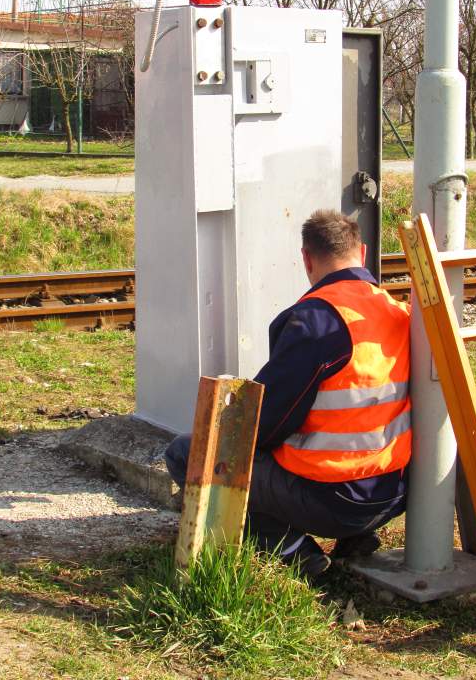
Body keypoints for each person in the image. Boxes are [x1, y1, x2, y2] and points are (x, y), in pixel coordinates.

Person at [166, 209, 411, 578]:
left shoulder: (315, 321)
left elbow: (264, 424)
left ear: (307, 259)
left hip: (334, 499)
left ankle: (297, 552)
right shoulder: (396, 311)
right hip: (393, 492)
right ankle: (359, 539)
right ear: (361, 253)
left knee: (187, 452)